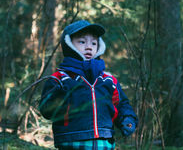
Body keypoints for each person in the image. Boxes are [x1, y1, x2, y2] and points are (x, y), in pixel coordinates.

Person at [39, 20, 138, 150]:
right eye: (82, 42)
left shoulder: (108, 79)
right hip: (71, 141)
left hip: (105, 141)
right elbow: (47, 110)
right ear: (69, 44)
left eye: (94, 43)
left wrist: (127, 119)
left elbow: (121, 104)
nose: (89, 47)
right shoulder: (60, 78)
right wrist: (64, 93)